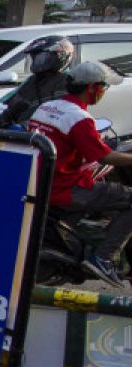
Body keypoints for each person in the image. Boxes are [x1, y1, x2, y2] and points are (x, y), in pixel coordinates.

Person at [28, 61, 132, 288]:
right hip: (66, 189)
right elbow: (105, 157)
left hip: (40, 181)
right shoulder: (80, 119)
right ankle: (104, 258)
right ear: (93, 88)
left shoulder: (46, 108)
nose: (104, 93)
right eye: (103, 88)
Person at [0, 35, 74, 129]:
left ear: (60, 56)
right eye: (34, 58)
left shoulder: (67, 83)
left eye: (40, 58)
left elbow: (55, 116)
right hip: (21, 135)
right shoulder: (34, 80)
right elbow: (11, 105)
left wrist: (24, 126)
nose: (35, 61)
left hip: (42, 137)